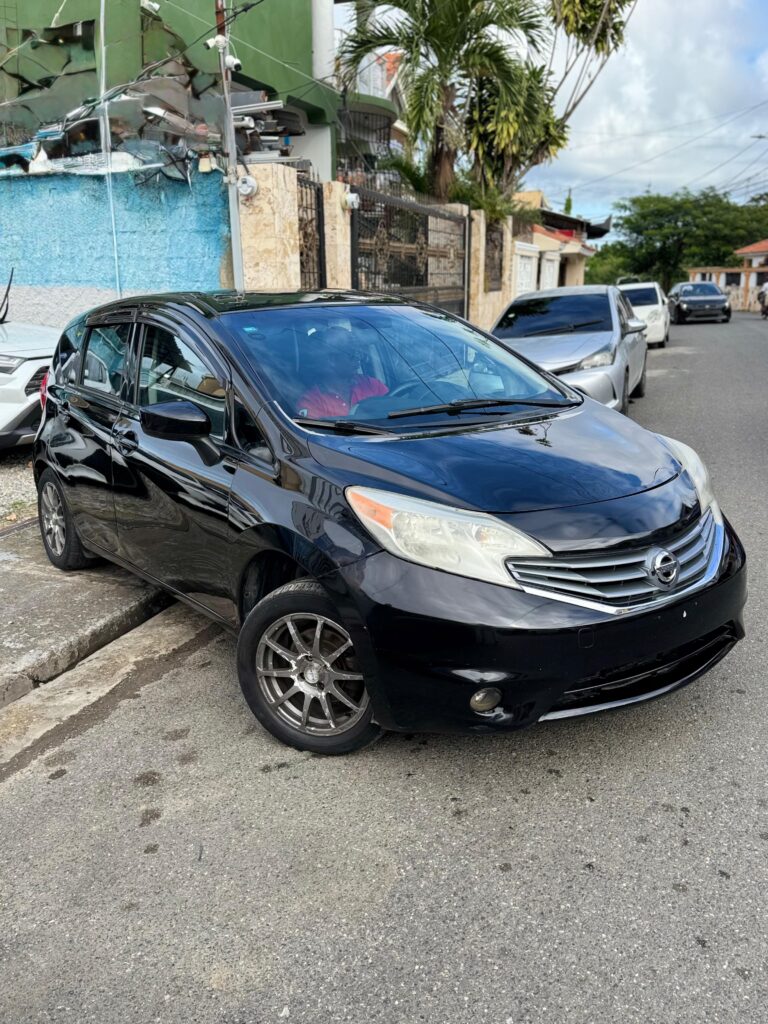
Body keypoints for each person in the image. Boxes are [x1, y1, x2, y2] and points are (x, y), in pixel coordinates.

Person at [296, 327, 388, 417]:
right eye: (352, 354)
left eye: (359, 353)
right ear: (332, 360)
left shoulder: (372, 386)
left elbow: (392, 407)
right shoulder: (312, 402)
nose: (358, 358)